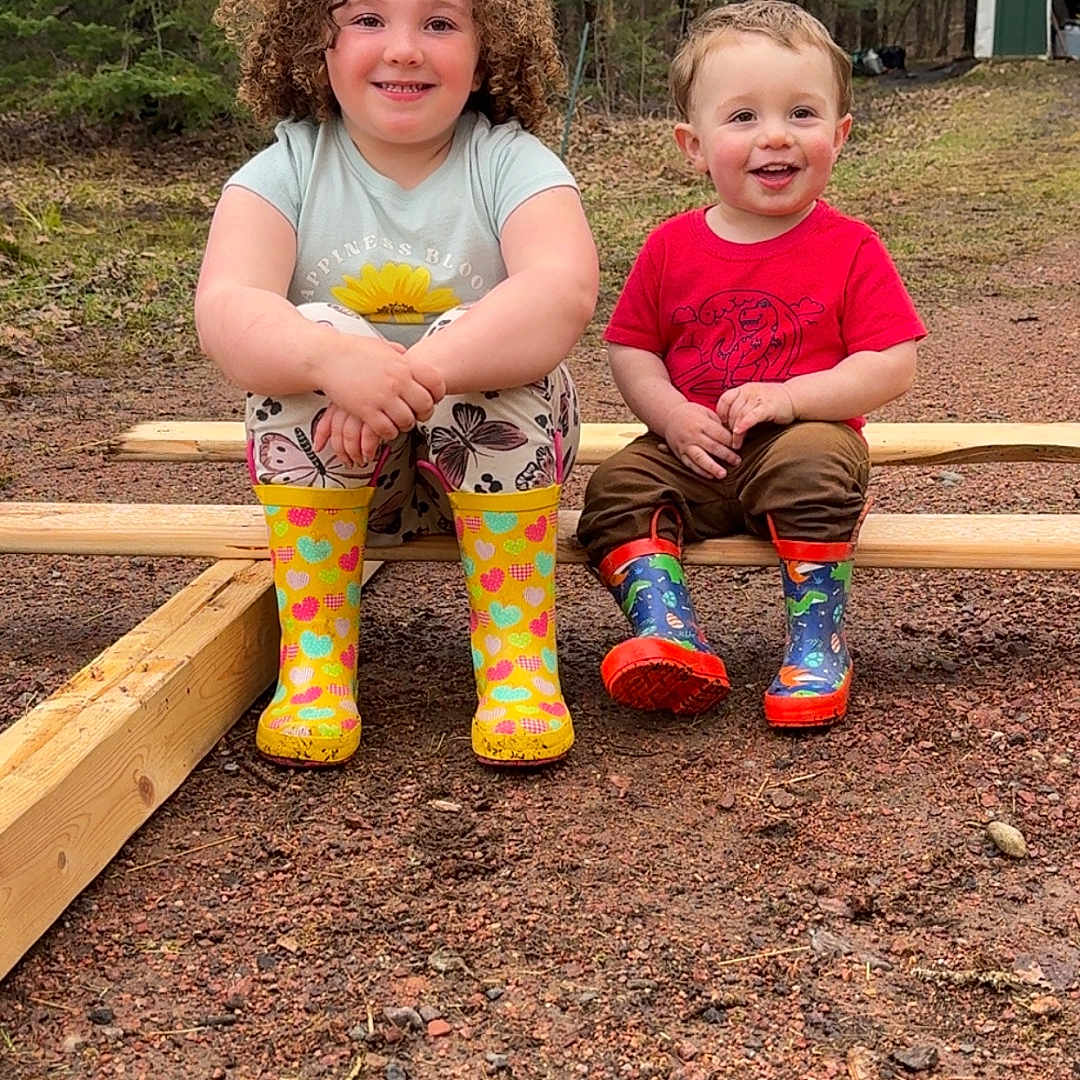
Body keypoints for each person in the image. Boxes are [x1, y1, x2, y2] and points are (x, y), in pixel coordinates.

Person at [196, 0, 598, 768]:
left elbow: (562, 291)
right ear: (312, 43)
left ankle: (518, 665)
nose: (405, 50)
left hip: (493, 469)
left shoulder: (513, 163)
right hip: (350, 476)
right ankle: (315, 663)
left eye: (440, 24)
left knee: (491, 352)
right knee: (303, 343)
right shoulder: (285, 168)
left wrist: (420, 373)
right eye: (369, 20)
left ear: (489, 51)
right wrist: (333, 361)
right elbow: (226, 307)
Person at [577, 0, 925, 729]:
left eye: (802, 113)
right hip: (694, 450)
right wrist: (670, 415)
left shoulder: (850, 246)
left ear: (840, 133)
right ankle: (669, 634)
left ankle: (817, 641)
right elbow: (630, 346)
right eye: (742, 118)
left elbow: (892, 362)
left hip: (802, 440)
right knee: (613, 489)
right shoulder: (671, 246)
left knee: (812, 469)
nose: (775, 136)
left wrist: (795, 399)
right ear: (693, 144)